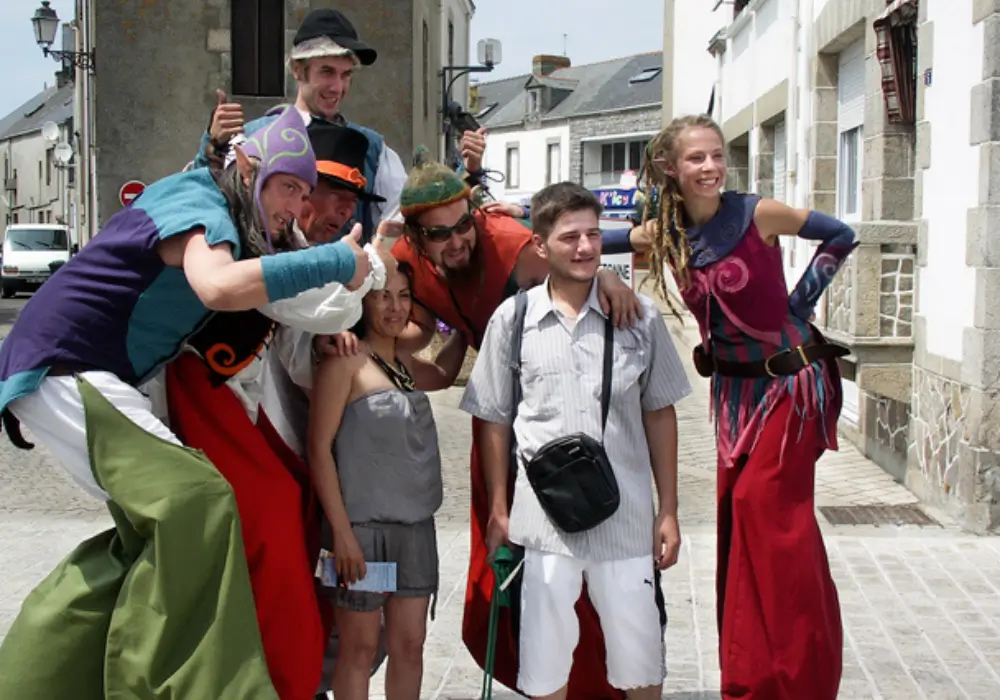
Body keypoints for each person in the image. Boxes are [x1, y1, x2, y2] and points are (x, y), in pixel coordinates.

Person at [0, 106, 370, 699]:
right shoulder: (204, 205)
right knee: (197, 500)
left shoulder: (213, 198)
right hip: (65, 369)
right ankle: (164, 684)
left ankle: (36, 675)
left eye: (305, 193)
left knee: (152, 538)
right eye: (289, 186)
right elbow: (219, 287)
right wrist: (340, 261)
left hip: (83, 375)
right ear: (252, 171)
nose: (297, 206)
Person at [359, 152, 647, 700]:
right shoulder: (405, 259)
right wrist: (380, 345)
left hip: (556, 425)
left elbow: (574, 261)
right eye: (440, 234)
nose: (458, 239)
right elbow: (414, 328)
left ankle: (593, 686)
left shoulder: (505, 242)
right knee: (513, 567)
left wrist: (608, 274)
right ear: (417, 238)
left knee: (576, 559)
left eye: (463, 222)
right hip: (495, 423)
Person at [162, 120, 393, 700]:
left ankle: (293, 677)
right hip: (215, 401)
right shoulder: (246, 236)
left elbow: (422, 320)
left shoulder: (293, 246)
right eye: (305, 191)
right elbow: (305, 310)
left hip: (275, 428)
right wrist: (356, 283)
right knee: (265, 533)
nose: (326, 208)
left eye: (343, 198)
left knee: (292, 538)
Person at [638, 114, 852, 700]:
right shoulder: (667, 233)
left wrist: (797, 304)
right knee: (739, 525)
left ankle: (803, 679)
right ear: (670, 168)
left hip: (790, 386)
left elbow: (841, 234)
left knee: (771, 518)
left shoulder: (757, 213)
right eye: (695, 159)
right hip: (733, 396)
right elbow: (588, 239)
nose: (709, 168)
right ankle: (753, 677)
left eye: (715, 156)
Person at [460, 182, 691, 699]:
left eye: (592, 234)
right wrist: (499, 508)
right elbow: (494, 419)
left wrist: (669, 510)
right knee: (544, 671)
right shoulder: (513, 320)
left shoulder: (638, 317)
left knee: (642, 666)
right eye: (570, 237)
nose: (586, 247)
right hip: (543, 526)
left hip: (627, 521)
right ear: (541, 246)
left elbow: (660, 412)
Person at [307, 262, 466, 700]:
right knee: (358, 649)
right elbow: (319, 450)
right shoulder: (344, 362)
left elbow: (447, 374)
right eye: (382, 295)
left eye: (403, 295)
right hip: (361, 532)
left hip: (416, 530)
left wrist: (467, 326)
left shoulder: (403, 366)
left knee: (410, 646)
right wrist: (341, 534)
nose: (394, 307)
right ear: (362, 301)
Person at [195, 8, 486, 242]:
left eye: (346, 75)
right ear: (298, 70)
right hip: (262, 297)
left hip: (344, 303)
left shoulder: (372, 148)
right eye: (327, 72)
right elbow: (203, 207)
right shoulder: (254, 137)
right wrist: (212, 146)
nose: (337, 86)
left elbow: (413, 216)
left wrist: (469, 173)